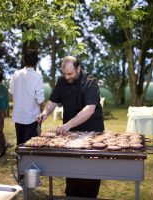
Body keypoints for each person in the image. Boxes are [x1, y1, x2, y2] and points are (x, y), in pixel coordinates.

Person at [37, 56, 104, 198]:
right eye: (65, 74)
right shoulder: (62, 81)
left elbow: (90, 109)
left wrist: (67, 125)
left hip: (92, 132)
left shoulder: (90, 81)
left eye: (70, 74)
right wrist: (45, 113)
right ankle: (72, 195)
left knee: (90, 174)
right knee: (72, 170)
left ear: (78, 69)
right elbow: (53, 101)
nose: (67, 77)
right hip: (71, 135)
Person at [9, 50, 45, 146]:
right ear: (36, 61)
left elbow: (11, 93)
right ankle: (30, 162)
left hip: (18, 115)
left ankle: (20, 161)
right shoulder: (37, 76)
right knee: (31, 146)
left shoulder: (16, 75)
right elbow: (40, 99)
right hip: (33, 117)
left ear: (24, 60)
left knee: (20, 144)